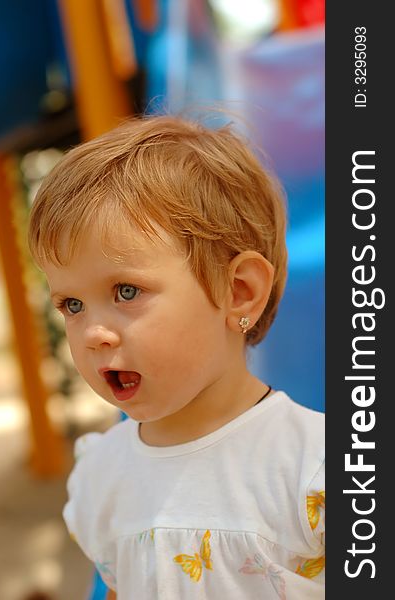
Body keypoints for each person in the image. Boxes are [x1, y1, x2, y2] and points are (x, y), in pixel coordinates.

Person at [28, 114, 325, 599]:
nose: (94, 334)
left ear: (239, 292)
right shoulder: (102, 477)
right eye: (72, 305)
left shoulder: (313, 470)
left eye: (126, 291)